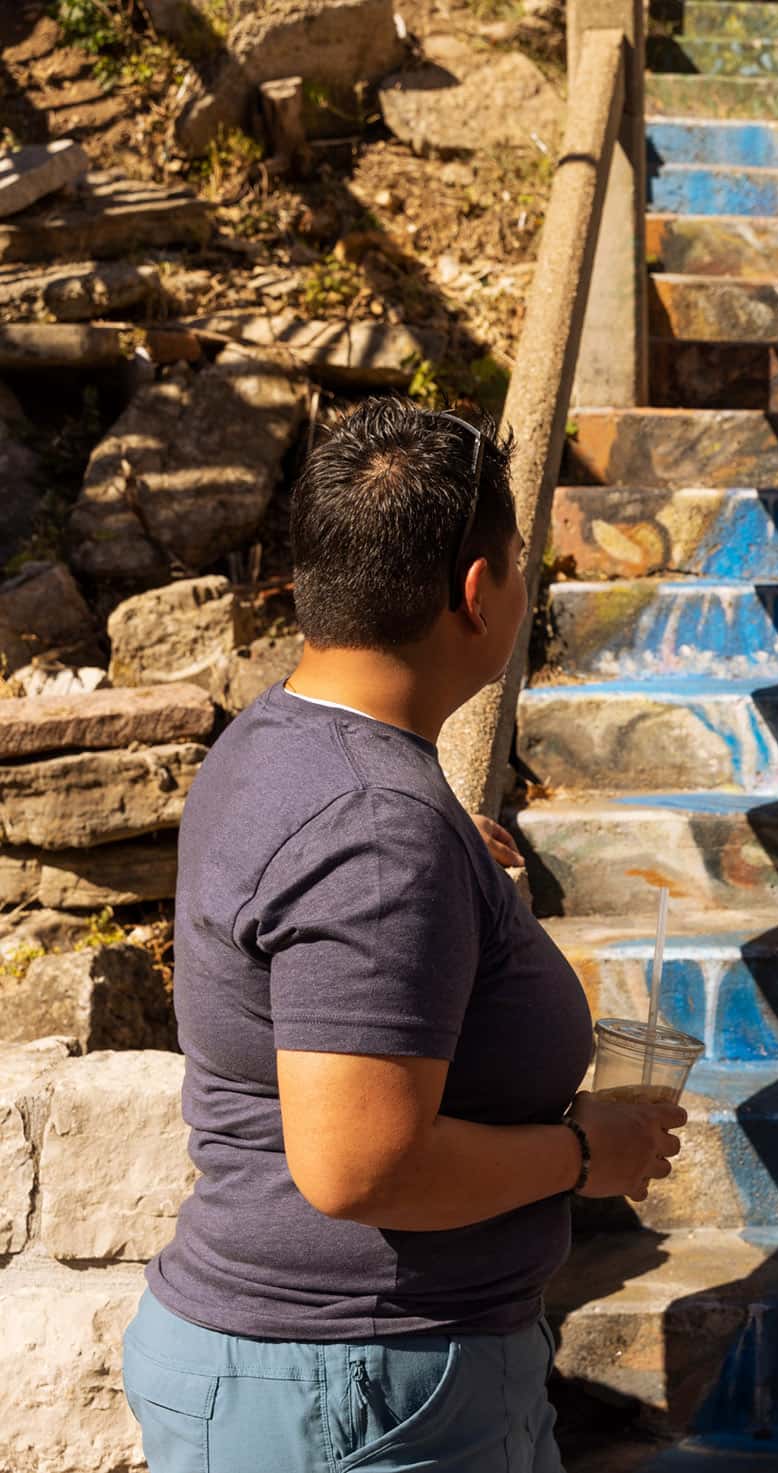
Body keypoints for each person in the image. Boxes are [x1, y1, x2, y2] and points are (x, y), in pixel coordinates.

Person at [123, 400, 686, 1473]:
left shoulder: (282, 740)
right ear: (476, 595)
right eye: (520, 566)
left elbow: (311, 886)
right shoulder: (376, 828)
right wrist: (584, 1154)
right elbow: (360, 1169)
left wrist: (440, 860)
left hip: (330, 1374)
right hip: (356, 1392)